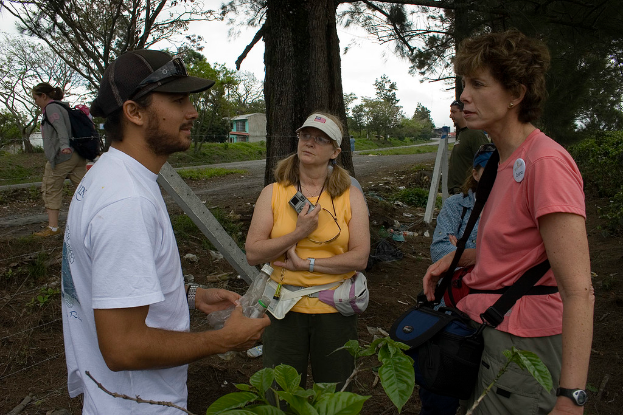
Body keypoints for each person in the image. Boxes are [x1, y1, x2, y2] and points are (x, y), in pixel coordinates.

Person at [61, 49, 269, 414]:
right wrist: (223, 340)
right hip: (140, 403)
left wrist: (189, 295)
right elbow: (123, 347)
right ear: (134, 112)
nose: (193, 111)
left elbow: (106, 286)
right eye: (177, 100)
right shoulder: (126, 202)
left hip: (112, 396)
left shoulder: (109, 177)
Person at [423, 30, 594, 415]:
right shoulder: (502, 161)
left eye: (478, 84)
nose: (463, 95)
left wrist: (571, 397)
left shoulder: (544, 164)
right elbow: (517, 248)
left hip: (525, 344)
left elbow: (579, 292)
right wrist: (459, 259)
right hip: (491, 329)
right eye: (464, 83)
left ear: (516, 94)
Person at [245, 112, 370, 390]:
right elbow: (253, 253)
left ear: (335, 151)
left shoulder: (350, 195)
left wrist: (307, 264)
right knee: (281, 393)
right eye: (305, 135)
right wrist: (299, 232)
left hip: (334, 309)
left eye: (320, 139)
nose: (310, 143)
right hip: (283, 309)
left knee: (335, 392)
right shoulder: (273, 193)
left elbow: (360, 257)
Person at [420, 143, 495, 415]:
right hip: (453, 307)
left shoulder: (511, 206)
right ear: (475, 173)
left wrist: (463, 249)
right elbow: (439, 249)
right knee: (442, 383)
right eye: (488, 169)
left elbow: (518, 255)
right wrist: (480, 254)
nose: (494, 175)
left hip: (495, 309)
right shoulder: (457, 205)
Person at [32, 83, 87, 237]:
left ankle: (53, 227)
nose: (35, 101)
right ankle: (93, 220)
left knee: (51, 187)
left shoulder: (51, 108)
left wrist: (63, 145)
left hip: (63, 156)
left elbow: (60, 128)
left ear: (43, 96)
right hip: (78, 155)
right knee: (84, 190)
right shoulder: (64, 107)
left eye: (36, 98)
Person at [447, 100, 489, 195]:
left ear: (464, 112)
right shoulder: (462, 133)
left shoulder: (475, 133)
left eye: (454, 112)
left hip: (469, 193)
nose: (451, 116)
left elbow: (486, 163)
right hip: (458, 193)